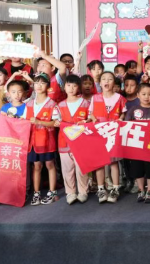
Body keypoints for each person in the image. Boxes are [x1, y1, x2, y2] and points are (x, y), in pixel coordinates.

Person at [89, 71, 127, 204]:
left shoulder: (120, 98)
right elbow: (90, 113)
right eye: (104, 79)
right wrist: (93, 119)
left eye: (110, 79)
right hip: (99, 133)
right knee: (100, 162)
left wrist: (120, 119)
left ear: (114, 83)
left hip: (113, 133)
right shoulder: (95, 98)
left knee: (113, 162)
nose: (107, 81)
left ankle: (115, 188)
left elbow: (123, 113)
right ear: (100, 83)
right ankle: (101, 189)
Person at [27, 74, 61, 206]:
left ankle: (52, 192)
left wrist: (39, 122)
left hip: (47, 140)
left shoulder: (52, 104)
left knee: (50, 165)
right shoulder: (29, 103)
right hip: (33, 141)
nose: (39, 86)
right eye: (36, 83)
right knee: (36, 166)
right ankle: (36, 193)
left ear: (48, 86)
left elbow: (56, 123)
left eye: (42, 83)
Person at [126, 83, 150, 204]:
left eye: (149, 94)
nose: (147, 97)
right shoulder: (133, 110)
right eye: (143, 94)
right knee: (138, 169)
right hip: (136, 145)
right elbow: (125, 125)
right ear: (138, 95)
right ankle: (141, 190)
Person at [57, 75, 90, 205]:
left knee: (81, 168)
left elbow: (91, 119)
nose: (71, 88)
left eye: (74, 86)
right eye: (68, 85)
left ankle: (83, 191)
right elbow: (56, 121)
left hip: (81, 141)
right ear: (64, 87)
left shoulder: (86, 103)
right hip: (64, 141)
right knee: (67, 168)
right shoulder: (60, 105)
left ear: (79, 88)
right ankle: (70, 192)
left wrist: (87, 121)